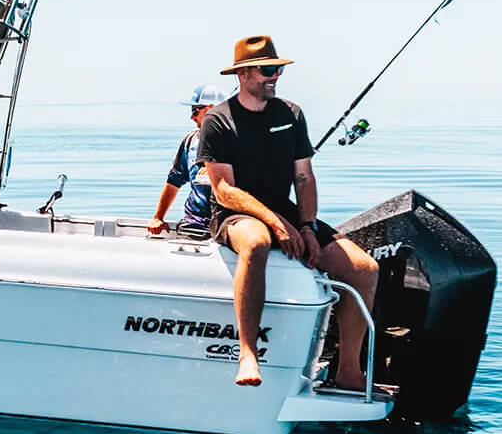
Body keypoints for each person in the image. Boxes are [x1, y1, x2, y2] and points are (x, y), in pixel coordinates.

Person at [198, 35, 379, 390]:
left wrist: (308, 227)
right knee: (255, 243)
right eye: (268, 69)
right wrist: (276, 222)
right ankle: (247, 353)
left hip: (288, 212)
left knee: (364, 268)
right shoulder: (218, 121)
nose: (275, 75)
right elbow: (225, 190)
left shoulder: (291, 114)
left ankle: (348, 371)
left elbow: (303, 176)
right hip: (235, 215)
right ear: (244, 74)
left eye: (278, 69)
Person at [148, 83, 228, 236]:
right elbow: (174, 181)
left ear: (211, 109)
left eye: (195, 111)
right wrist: (158, 217)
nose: (191, 117)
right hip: (193, 223)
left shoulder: (238, 141)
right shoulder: (190, 141)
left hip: (226, 224)